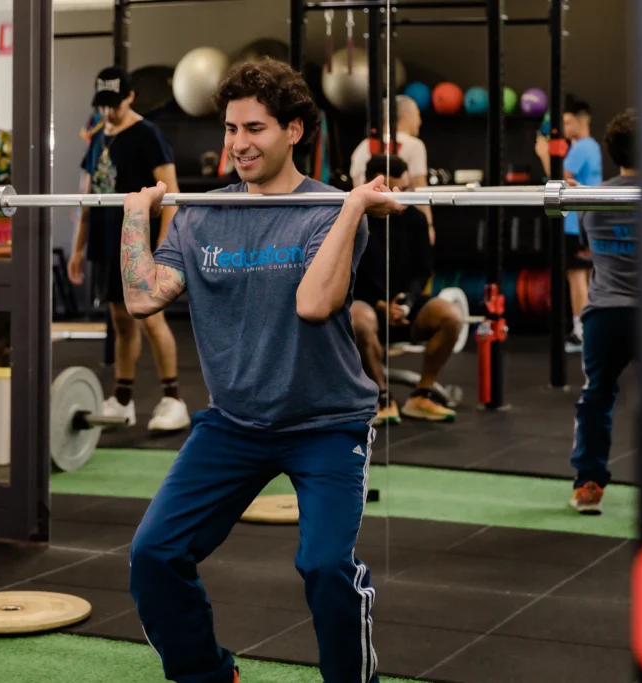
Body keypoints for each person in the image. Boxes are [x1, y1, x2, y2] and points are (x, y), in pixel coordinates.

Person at [121, 58, 403, 683]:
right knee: (153, 553)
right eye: (230, 129)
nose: (238, 144)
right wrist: (135, 217)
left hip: (327, 423)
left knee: (326, 566)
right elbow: (143, 296)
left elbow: (314, 304)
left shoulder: (329, 210)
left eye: (256, 129)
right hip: (234, 423)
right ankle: (205, 674)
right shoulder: (201, 214)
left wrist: (354, 204)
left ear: (294, 130)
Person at [68, 66, 190, 433]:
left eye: (115, 104)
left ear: (131, 97)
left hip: (141, 242)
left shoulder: (147, 135)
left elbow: (171, 194)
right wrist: (77, 250)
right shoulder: (96, 139)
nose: (109, 112)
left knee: (151, 319)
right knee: (120, 322)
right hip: (106, 243)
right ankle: (122, 400)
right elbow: (86, 197)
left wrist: (163, 247)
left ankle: (173, 399)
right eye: (104, 105)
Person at [351, 154, 462, 425]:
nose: (400, 196)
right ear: (374, 184)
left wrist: (408, 302)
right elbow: (346, 275)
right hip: (368, 305)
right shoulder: (352, 219)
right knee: (359, 320)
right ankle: (381, 397)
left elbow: (423, 269)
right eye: (393, 189)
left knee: (451, 317)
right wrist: (380, 305)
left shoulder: (414, 218)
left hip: (405, 306)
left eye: (404, 189)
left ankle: (422, 394)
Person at [567, 108, 637, 514]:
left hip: (605, 316)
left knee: (596, 397)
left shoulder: (592, 202)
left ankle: (588, 484)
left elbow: (589, 246)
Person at [536, 98, 603, 352]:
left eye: (567, 121)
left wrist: (544, 155)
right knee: (583, 278)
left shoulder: (581, 148)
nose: (563, 126)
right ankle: (586, 330)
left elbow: (559, 181)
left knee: (576, 278)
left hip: (576, 224)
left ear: (581, 121)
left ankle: (580, 332)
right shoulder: (590, 146)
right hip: (584, 222)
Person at [349, 94, 436, 244]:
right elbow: (420, 188)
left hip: (367, 227)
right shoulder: (415, 146)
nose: (420, 121)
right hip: (404, 227)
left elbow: (356, 189)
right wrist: (428, 225)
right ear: (406, 115)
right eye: (418, 115)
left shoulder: (361, 148)